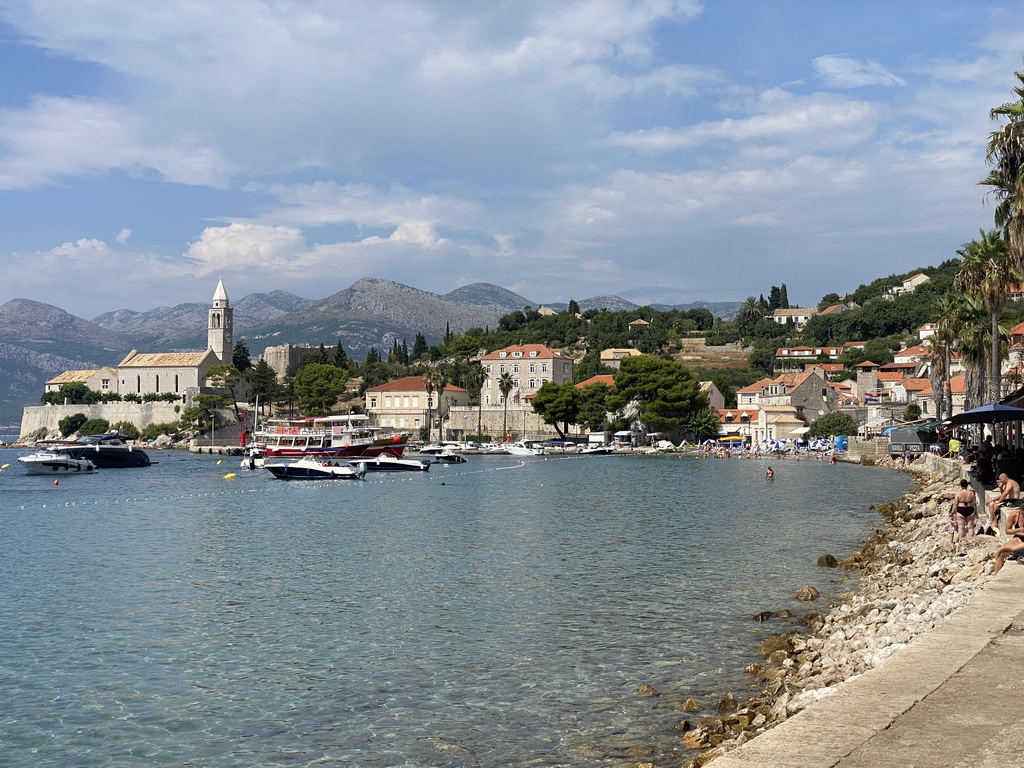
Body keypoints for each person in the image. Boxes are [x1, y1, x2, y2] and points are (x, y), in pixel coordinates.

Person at [992, 504, 1024, 574]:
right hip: (1019, 536)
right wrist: (1018, 530)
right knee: (1002, 554)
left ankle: (998, 551)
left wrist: (1000, 549)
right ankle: (996, 574)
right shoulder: (1014, 515)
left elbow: (1013, 548)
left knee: (1009, 549)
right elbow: (1007, 531)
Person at [950, 479, 980, 543]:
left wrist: (952, 512)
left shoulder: (958, 493)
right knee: (970, 527)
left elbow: (955, 504)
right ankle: (971, 541)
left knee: (961, 527)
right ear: (967, 485)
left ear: (961, 485)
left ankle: (961, 542)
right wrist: (976, 512)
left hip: (961, 509)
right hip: (970, 509)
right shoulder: (971, 493)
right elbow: (974, 504)